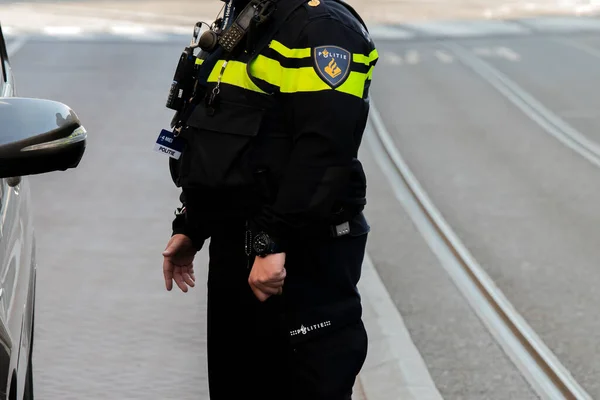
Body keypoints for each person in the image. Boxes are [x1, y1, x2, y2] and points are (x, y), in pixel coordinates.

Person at [161, 0, 378, 398]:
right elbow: (222, 136)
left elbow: (325, 150)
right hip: (238, 252)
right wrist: (192, 226)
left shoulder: (323, 28)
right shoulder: (246, 17)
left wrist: (273, 242)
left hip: (297, 259)